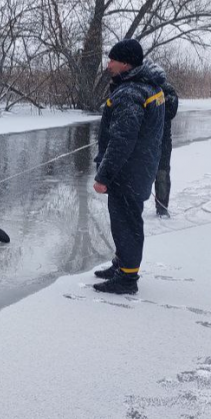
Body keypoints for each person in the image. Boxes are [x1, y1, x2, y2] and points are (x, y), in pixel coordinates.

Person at [92, 39, 166, 294]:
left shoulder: (131, 92)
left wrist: (103, 176)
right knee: (124, 221)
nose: (109, 64)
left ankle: (127, 279)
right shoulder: (150, 86)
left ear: (125, 63)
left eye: (112, 60)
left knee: (126, 223)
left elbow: (122, 141)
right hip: (140, 167)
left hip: (128, 172)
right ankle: (122, 265)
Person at [155, 80, 178, 217]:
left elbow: (171, 111)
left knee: (162, 174)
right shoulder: (141, 88)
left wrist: (157, 101)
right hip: (143, 142)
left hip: (163, 142)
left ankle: (162, 207)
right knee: (137, 174)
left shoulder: (167, 90)